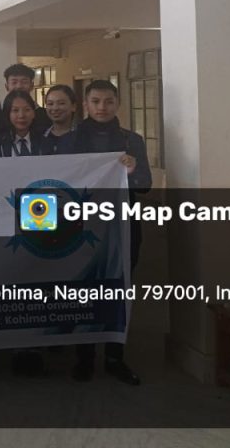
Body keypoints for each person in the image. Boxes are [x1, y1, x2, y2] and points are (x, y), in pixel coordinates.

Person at [69, 79, 152, 386]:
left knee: (119, 289)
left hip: (123, 225)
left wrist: (132, 171)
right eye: (95, 101)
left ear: (118, 104)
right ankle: (84, 357)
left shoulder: (132, 141)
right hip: (83, 227)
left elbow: (145, 184)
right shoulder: (72, 140)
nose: (102, 107)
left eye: (108, 101)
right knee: (84, 290)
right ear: (86, 105)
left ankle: (115, 357)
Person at [0, 90, 47, 157]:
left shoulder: (44, 141)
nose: (21, 115)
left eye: (27, 110)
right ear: (8, 114)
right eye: (15, 110)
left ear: (33, 113)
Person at [3, 63, 51, 135]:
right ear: (6, 86)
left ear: (32, 85)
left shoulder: (45, 115)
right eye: (14, 82)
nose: (19, 86)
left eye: (24, 82)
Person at [42, 84, 78, 154]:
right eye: (50, 104)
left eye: (61, 103)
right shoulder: (39, 136)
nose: (55, 108)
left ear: (73, 106)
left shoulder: (83, 135)